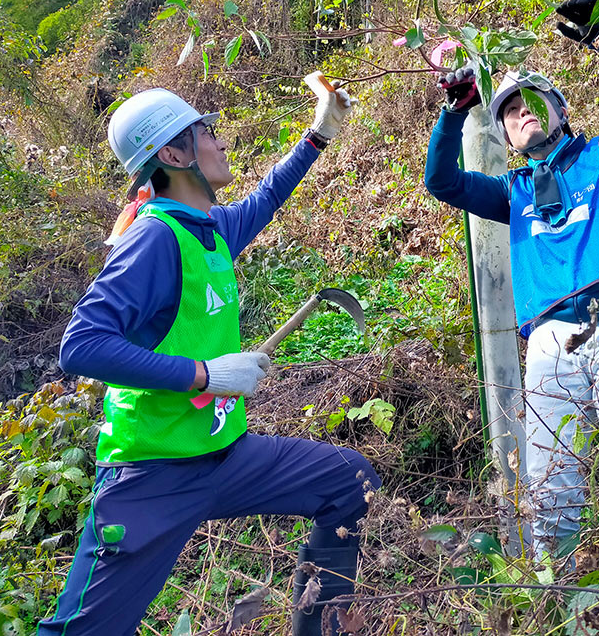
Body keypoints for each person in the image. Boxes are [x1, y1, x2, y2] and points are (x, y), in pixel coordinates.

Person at [39, 80, 380, 636]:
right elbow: (82, 345)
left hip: (226, 456)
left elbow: (266, 199)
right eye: (207, 133)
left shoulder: (210, 230)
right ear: (173, 155)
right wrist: (206, 373)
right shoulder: (153, 239)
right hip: (152, 476)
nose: (221, 142)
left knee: (347, 482)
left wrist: (319, 135)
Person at [424, 0, 599, 556]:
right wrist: (455, 112)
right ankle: (566, 604)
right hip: (549, 342)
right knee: (551, 498)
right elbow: (442, 181)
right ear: (503, 135)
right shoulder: (513, 191)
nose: (522, 111)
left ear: (559, 110)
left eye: (533, 100)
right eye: (508, 110)